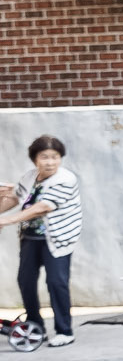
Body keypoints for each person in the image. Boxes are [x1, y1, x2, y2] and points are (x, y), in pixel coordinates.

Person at [0, 135, 82, 348]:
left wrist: (6, 220)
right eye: (44, 157)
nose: (49, 162)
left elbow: (41, 207)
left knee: (56, 283)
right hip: (30, 238)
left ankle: (65, 331)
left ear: (60, 158)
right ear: (35, 159)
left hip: (57, 239)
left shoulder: (66, 179)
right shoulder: (30, 177)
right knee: (25, 281)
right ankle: (35, 326)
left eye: (55, 157)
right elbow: (16, 198)